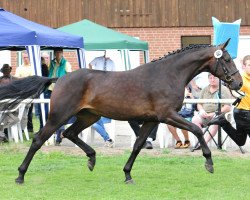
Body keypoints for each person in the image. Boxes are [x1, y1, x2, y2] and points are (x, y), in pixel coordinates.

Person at [207, 55, 250, 147]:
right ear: (244, 66)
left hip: (242, 113)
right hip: (244, 113)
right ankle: (222, 121)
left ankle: (223, 122)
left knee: (240, 141)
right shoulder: (240, 80)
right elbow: (233, 89)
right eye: (249, 65)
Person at [191, 73, 231, 150]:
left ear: (219, 78)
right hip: (205, 114)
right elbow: (199, 104)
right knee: (194, 119)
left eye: (214, 78)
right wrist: (202, 111)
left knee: (216, 120)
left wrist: (214, 113)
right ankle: (201, 140)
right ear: (208, 79)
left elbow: (227, 107)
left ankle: (203, 144)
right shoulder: (205, 89)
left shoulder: (224, 90)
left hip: (218, 114)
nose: (212, 80)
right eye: (210, 78)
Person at [88, 51, 115, 147]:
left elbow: (113, 74)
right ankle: (108, 139)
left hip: (101, 114)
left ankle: (107, 139)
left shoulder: (112, 62)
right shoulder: (98, 59)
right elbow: (90, 64)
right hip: (98, 83)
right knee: (95, 123)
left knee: (95, 124)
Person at [48, 48, 72, 145]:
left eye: (59, 52)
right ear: (54, 54)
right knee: (51, 113)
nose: (58, 54)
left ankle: (59, 136)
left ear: (62, 53)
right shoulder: (52, 63)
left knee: (59, 113)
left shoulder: (66, 63)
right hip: (51, 89)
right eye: (56, 52)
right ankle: (56, 135)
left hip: (61, 91)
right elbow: (50, 73)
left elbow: (70, 77)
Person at [167, 84, 195, 149]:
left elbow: (197, 107)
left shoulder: (193, 98)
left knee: (183, 124)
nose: (185, 91)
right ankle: (178, 141)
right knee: (169, 124)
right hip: (178, 117)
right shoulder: (178, 99)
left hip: (189, 117)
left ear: (190, 90)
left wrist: (192, 98)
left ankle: (187, 140)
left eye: (187, 89)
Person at [15, 52, 34, 133]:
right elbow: (16, 78)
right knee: (21, 110)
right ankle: (22, 128)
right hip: (21, 91)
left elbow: (32, 78)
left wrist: (22, 78)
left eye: (27, 57)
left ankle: (29, 128)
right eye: (24, 57)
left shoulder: (32, 67)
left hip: (31, 91)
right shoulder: (19, 68)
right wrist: (26, 78)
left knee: (29, 110)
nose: (26, 59)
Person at [0, 64, 19, 142]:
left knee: (5, 114)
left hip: (12, 106)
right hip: (1, 104)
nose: (6, 72)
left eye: (7, 70)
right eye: (4, 71)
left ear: (10, 70)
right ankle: (2, 135)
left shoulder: (15, 80)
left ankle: (2, 134)